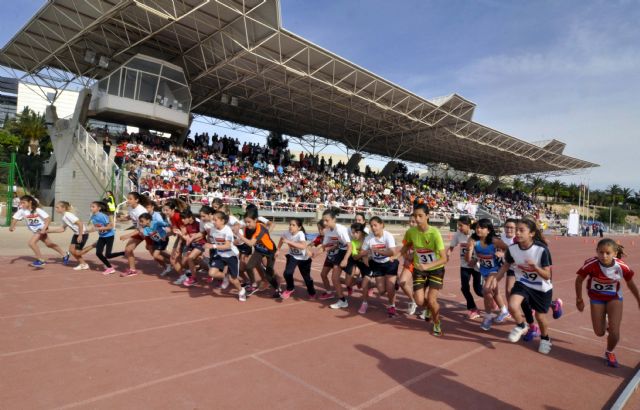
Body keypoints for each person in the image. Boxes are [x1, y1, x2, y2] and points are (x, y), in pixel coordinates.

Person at [485, 218, 554, 354]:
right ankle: (521, 325)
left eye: (521, 230)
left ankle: (545, 339)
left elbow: (547, 276)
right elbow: (505, 267)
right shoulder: (512, 249)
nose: (517, 233)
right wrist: (496, 279)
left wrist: (535, 267)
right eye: (517, 230)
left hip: (541, 287)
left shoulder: (541, 250)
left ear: (532, 233)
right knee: (512, 305)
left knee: (540, 317)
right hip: (523, 283)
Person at [575, 239, 640, 367]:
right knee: (599, 332)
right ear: (597, 252)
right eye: (601, 252)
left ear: (615, 254)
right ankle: (604, 319)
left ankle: (609, 351)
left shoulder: (621, 267)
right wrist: (579, 299)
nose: (604, 256)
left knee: (615, 332)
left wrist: (639, 299)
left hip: (614, 297)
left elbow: (631, 283)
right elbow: (579, 281)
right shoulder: (591, 264)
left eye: (608, 253)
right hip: (596, 298)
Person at [400, 203, 447, 336]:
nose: (417, 219)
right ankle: (427, 308)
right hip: (420, 268)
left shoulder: (435, 233)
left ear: (427, 216)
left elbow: (444, 259)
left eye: (420, 216)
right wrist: (400, 254)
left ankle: (437, 322)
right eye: (415, 216)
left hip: (436, 269)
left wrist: (427, 265)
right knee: (420, 301)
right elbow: (407, 244)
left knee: (432, 299)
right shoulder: (411, 232)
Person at [466, 219, 509, 331]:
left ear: (489, 230)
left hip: (496, 270)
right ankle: (504, 311)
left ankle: (488, 316)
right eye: (477, 227)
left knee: (486, 290)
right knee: (494, 293)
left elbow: (509, 249)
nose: (478, 229)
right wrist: (470, 252)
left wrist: (502, 253)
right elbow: (469, 262)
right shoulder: (473, 241)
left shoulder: (495, 241)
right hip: (484, 270)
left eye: (482, 227)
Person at [9, 195, 67, 268]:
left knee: (31, 243)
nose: (21, 204)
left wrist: (43, 230)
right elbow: (15, 219)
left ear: (30, 202)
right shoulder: (22, 211)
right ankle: (65, 254)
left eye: (23, 203)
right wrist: (12, 227)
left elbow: (48, 219)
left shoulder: (37, 210)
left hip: (42, 229)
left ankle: (40, 260)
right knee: (49, 244)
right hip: (36, 231)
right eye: (21, 203)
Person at [237, 207, 280, 297]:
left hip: (270, 251)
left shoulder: (260, 228)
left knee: (269, 273)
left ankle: (277, 288)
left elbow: (250, 243)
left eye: (249, 222)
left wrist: (238, 235)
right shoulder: (247, 229)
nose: (247, 224)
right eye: (246, 222)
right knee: (249, 266)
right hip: (259, 250)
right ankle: (254, 284)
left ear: (255, 220)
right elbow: (246, 239)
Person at [203, 211, 246, 301]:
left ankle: (241, 291)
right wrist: (207, 245)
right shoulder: (213, 230)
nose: (213, 222)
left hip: (231, 255)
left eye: (216, 220)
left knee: (233, 279)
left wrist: (213, 246)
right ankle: (225, 276)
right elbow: (210, 240)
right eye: (213, 220)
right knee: (212, 273)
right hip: (220, 254)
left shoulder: (227, 231)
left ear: (222, 221)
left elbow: (227, 246)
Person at [361, 217, 399, 316]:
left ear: (381, 225)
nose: (373, 228)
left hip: (389, 263)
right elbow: (363, 252)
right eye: (371, 226)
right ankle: (394, 282)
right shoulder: (369, 238)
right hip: (377, 264)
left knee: (390, 288)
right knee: (381, 291)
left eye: (375, 225)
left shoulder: (388, 236)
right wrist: (366, 260)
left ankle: (392, 306)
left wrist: (378, 251)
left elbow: (393, 252)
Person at [447, 215, 482, 319]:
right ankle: (473, 308)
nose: (459, 228)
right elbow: (451, 247)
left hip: (476, 265)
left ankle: (491, 297)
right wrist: (448, 254)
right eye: (458, 225)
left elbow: (482, 249)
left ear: (468, 225)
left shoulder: (475, 234)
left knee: (478, 290)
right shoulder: (458, 234)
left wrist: (475, 260)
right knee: (464, 288)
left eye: (461, 225)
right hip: (464, 265)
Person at [319, 208, 352, 308]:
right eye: (323, 220)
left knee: (349, 282)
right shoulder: (328, 231)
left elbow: (350, 247)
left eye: (327, 220)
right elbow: (324, 246)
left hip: (351, 253)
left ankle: (363, 283)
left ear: (334, 220)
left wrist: (345, 259)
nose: (324, 223)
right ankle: (342, 300)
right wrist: (313, 254)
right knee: (334, 278)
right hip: (340, 252)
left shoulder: (341, 229)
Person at [277, 218, 316, 299]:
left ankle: (311, 292)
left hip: (303, 258)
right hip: (293, 256)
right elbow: (281, 239)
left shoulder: (300, 234)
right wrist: (278, 250)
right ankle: (290, 288)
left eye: (293, 225)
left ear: (299, 227)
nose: (291, 226)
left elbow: (303, 246)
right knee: (287, 273)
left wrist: (289, 242)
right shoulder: (286, 233)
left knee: (306, 278)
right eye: (290, 225)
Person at [45, 201, 90, 270]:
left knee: (77, 252)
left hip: (83, 234)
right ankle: (83, 264)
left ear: (63, 208)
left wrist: (80, 235)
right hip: (76, 234)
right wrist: (48, 231)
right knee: (72, 250)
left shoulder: (68, 215)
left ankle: (94, 245)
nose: (56, 209)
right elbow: (62, 229)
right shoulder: (64, 217)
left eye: (57, 207)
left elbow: (80, 223)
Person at [85, 201, 124, 275]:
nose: (91, 208)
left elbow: (110, 227)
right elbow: (95, 227)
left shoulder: (102, 216)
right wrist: (86, 231)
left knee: (108, 255)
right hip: (102, 237)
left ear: (99, 208)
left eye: (93, 207)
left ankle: (124, 253)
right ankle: (110, 268)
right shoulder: (92, 217)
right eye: (91, 206)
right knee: (98, 253)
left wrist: (99, 229)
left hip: (109, 236)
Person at [118, 192, 150, 277]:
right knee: (128, 249)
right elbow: (131, 216)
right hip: (140, 232)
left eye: (130, 199)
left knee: (156, 252)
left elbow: (142, 228)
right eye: (127, 198)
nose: (128, 200)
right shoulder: (131, 208)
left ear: (136, 200)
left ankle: (173, 262)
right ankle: (132, 270)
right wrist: (124, 218)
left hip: (148, 232)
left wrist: (127, 235)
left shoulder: (141, 211)